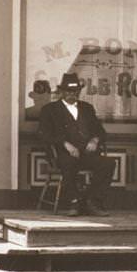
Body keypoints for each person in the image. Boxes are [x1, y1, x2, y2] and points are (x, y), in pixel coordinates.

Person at [38, 72, 115, 217]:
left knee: (108, 163)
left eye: (74, 91)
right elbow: (44, 134)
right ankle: (74, 201)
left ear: (79, 92)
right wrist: (64, 143)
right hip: (63, 154)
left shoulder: (87, 108)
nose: (71, 94)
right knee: (69, 162)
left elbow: (100, 131)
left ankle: (92, 200)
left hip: (87, 154)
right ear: (61, 92)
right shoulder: (50, 110)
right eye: (68, 91)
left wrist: (95, 140)